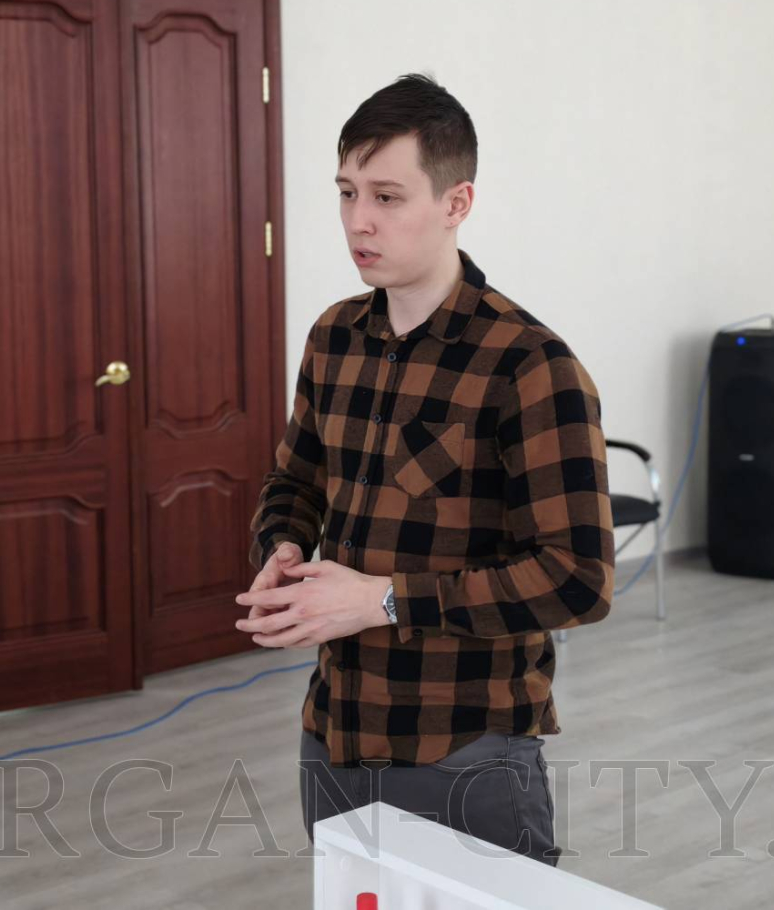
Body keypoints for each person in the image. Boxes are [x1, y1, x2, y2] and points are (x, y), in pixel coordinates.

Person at [236, 73, 614, 865]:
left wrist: (379, 599)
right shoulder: (333, 338)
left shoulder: (530, 366)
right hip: (333, 729)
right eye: (346, 193)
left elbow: (577, 580)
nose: (358, 221)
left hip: (466, 748)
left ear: (455, 203)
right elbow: (294, 483)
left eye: (386, 196)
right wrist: (283, 548)